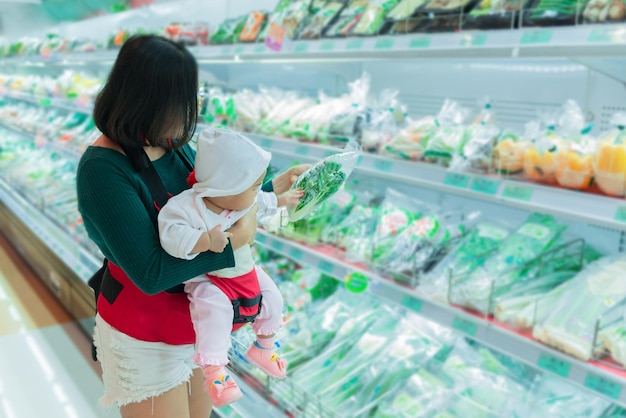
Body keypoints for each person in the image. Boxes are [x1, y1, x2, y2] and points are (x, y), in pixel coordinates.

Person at [76, 34, 309, 418]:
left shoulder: (170, 143)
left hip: (193, 325)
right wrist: (235, 243)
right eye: (182, 100)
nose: (190, 110)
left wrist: (266, 191)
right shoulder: (102, 170)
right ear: (147, 101)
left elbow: (210, 205)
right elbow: (151, 273)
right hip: (145, 334)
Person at [158, 127, 303, 407]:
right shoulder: (185, 208)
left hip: (245, 271)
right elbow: (171, 235)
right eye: (252, 186)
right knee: (214, 312)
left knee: (273, 296)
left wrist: (282, 200)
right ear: (223, 186)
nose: (256, 191)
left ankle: (264, 345)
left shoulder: (242, 200)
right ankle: (214, 371)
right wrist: (203, 240)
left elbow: (262, 200)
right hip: (209, 280)